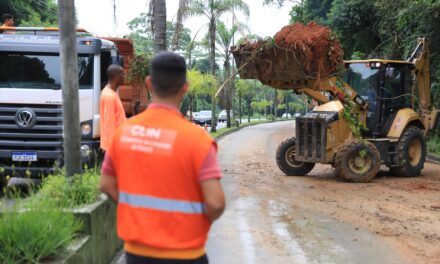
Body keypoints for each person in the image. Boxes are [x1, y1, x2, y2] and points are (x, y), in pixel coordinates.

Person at [100, 52, 225, 264]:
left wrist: (139, 214)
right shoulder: (198, 139)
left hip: (137, 254)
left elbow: (107, 184)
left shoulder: (124, 132)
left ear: (149, 83)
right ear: (185, 87)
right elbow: (215, 203)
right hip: (186, 253)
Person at [100, 64, 127, 151]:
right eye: (123, 74)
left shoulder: (111, 92)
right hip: (113, 146)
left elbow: (117, 118)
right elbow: (109, 124)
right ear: (116, 76)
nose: (124, 76)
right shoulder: (109, 97)